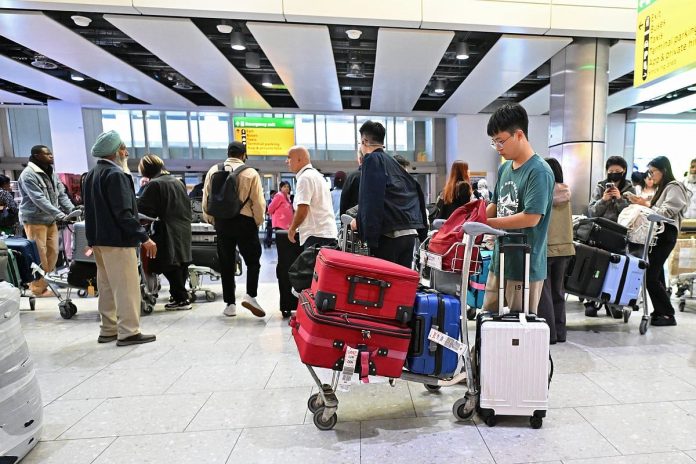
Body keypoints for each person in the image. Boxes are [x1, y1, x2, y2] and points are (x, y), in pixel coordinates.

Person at [83, 130, 157, 346]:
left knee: (106, 286)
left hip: (98, 240)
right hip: (118, 240)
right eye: (123, 149)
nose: (126, 153)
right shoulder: (116, 175)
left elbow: (90, 211)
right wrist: (144, 238)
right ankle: (128, 331)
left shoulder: (92, 174)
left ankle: (109, 329)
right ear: (116, 152)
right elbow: (123, 213)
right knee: (126, 287)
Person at [482, 103, 554, 314]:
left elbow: (531, 218)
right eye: (494, 142)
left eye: (500, 140)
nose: (498, 147)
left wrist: (486, 223)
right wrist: (474, 218)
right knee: (489, 319)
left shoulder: (539, 171)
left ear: (519, 135)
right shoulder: (505, 168)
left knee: (518, 327)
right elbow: (495, 204)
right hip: (500, 260)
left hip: (525, 266)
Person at [202, 141, 266, 318]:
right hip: (245, 222)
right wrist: (257, 222)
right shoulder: (250, 173)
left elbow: (206, 200)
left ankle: (230, 304)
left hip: (222, 223)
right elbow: (258, 203)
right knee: (253, 261)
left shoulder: (214, 170)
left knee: (226, 263)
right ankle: (250, 295)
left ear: (228, 153)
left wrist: (213, 220)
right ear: (244, 155)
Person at [627, 156, 690, 326]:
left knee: (650, 276)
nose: (650, 175)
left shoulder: (674, 187)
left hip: (665, 234)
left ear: (664, 170)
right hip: (658, 235)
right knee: (656, 274)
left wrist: (646, 205)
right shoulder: (663, 188)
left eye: (653, 171)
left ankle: (668, 313)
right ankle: (660, 311)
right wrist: (642, 203)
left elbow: (667, 212)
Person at [355, 120, 427, 268]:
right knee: (400, 279)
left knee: (385, 280)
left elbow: (371, 199)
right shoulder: (393, 163)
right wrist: (423, 232)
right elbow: (416, 189)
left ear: (364, 141)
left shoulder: (372, 159)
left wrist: (366, 232)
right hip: (409, 233)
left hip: (389, 236)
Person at [17, 145, 77, 296]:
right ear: (37, 156)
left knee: (53, 253)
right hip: (34, 220)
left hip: (50, 219)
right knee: (39, 254)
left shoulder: (51, 172)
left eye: (51, 153)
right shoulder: (28, 174)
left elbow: (61, 194)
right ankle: (38, 288)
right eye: (47, 154)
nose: (51, 156)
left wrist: (72, 211)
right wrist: (60, 214)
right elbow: (39, 199)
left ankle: (46, 282)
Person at [136, 154, 193, 311]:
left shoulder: (154, 184)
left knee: (168, 264)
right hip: (183, 227)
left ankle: (182, 299)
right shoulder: (177, 182)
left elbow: (144, 210)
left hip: (167, 228)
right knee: (181, 262)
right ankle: (179, 296)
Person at [538, 158, 574, 343]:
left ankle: (549, 335)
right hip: (565, 248)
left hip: (546, 248)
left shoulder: (543, 193)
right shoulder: (566, 192)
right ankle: (560, 333)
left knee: (544, 293)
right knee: (558, 292)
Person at [286, 146, 337, 248]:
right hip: (327, 234)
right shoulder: (317, 175)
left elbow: (303, 208)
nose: (286, 161)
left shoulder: (305, 178)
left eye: (289, 157)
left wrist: (292, 229)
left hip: (316, 236)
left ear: (299, 159)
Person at [268, 181, 302, 318]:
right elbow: (270, 208)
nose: (286, 188)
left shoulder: (288, 198)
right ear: (280, 187)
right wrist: (276, 217)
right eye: (284, 186)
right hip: (281, 227)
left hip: (288, 228)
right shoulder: (278, 196)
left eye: (288, 186)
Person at [587, 156, 635, 222]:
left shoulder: (630, 189)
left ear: (624, 170)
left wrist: (619, 199)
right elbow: (592, 213)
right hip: (601, 225)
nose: (614, 173)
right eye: (611, 171)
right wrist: (603, 200)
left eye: (617, 171)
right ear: (607, 171)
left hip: (622, 226)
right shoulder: (600, 187)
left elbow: (632, 215)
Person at [340, 149, 363, 215]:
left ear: (360, 159)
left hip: (353, 216)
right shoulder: (379, 175)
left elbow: (344, 200)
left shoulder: (352, 177)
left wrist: (343, 218)